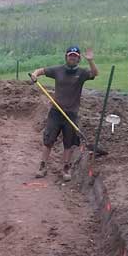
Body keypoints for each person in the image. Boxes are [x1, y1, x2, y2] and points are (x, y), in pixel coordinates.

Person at [29, 46, 98, 182]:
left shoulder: (82, 73)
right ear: (66, 57)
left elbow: (95, 73)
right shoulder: (58, 70)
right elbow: (41, 70)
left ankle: (65, 167)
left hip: (71, 113)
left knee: (68, 142)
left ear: (78, 59)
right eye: (70, 55)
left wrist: (90, 61)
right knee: (48, 140)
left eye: (75, 56)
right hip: (56, 112)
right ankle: (43, 166)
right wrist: (35, 75)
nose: (72, 58)